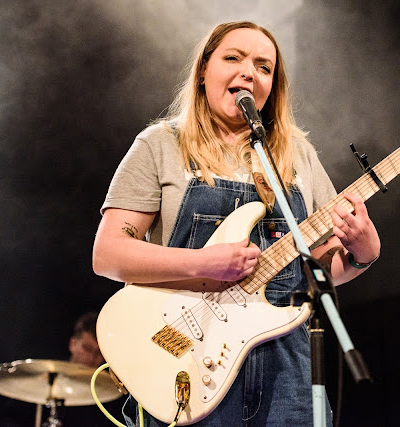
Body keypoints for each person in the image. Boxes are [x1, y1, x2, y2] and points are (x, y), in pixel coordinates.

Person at [92, 21, 381, 426]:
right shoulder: (160, 145)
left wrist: (362, 254)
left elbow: (318, 270)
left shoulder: (298, 157)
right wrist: (203, 265)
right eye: (233, 58)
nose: (250, 72)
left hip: (287, 377)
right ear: (204, 72)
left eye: (264, 67)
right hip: (187, 364)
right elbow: (109, 254)